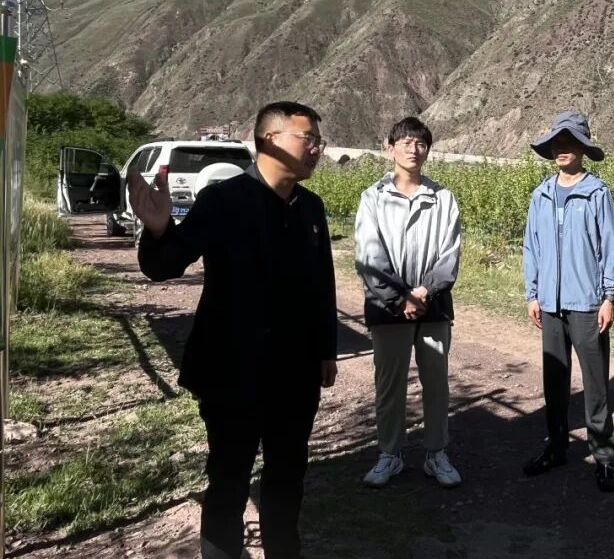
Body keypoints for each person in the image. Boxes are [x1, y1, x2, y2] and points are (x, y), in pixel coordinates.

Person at [130, 101, 338, 559]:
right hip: (232, 372)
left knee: (287, 477)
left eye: (318, 141)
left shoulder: (311, 208)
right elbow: (165, 265)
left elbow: (322, 284)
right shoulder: (224, 201)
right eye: (308, 139)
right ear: (270, 140)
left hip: (296, 373)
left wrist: (327, 349)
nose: (317, 149)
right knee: (229, 478)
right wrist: (159, 229)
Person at [354, 117, 463, 489]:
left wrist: (424, 293)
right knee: (389, 384)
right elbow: (369, 256)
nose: (413, 150)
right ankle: (390, 454)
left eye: (420, 144)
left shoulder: (443, 198)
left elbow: (449, 255)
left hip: (433, 307)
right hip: (387, 309)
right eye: (405, 143)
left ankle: (436, 453)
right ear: (390, 148)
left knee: (436, 383)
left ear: (427, 150)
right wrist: (401, 298)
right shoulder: (373, 197)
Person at [521, 110, 614, 493]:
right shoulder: (541, 195)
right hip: (549, 304)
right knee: (554, 381)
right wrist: (532, 293)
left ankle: (604, 456)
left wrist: (609, 296)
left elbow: (610, 246)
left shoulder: (597, 193)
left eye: (569, 141)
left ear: (583, 148)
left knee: (595, 384)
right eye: (556, 142)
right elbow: (531, 247)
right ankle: (556, 446)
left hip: (587, 303)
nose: (561, 148)